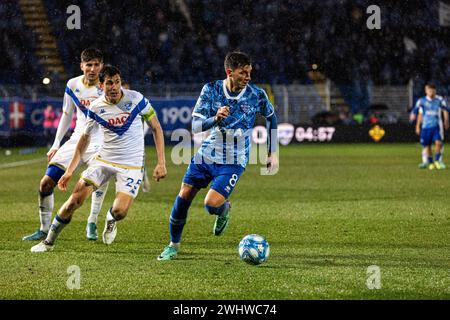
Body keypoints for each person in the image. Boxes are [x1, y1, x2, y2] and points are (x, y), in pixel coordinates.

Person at [31, 65, 167, 252]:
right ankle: (48, 242)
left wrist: (161, 163)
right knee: (74, 201)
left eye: (117, 82)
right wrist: (69, 171)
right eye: (109, 83)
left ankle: (111, 219)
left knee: (120, 211)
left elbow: (156, 128)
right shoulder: (95, 108)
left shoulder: (136, 99)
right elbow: (83, 140)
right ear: (101, 86)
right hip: (103, 161)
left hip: (131, 165)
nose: (114, 87)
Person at [157, 51, 278, 261]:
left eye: (250, 72)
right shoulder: (211, 90)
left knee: (211, 204)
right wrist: (214, 118)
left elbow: (271, 117)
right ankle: (173, 245)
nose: (248, 77)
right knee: (184, 196)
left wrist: (272, 151)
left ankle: (224, 210)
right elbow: (195, 126)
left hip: (234, 160)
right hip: (207, 155)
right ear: (229, 72)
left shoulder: (257, 94)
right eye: (243, 73)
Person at [23, 48, 110, 242]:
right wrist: (56, 144)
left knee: (98, 179)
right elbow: (66, 114)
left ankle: (92, 221)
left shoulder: (106, 87)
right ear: (82, 66)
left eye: (97, 64)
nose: (93, 69)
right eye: (89, 65)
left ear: (102, 66)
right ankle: (43, 229)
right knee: (46, 182)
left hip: (101, 141)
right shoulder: (72, 84)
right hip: (77, 139)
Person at [415, 83, 450, 170]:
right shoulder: (422, 101)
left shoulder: (439, 100)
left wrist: (446, 120)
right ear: (426, 91)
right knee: (427, 145)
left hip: (437, 126)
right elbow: (420, 113)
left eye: (433, 90)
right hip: (425, 127)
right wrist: (417, 125)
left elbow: (445, 110)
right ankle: (428, 162)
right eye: (429, 90)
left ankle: (438, 160)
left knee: (439, 143)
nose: (431, 92)